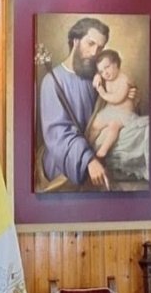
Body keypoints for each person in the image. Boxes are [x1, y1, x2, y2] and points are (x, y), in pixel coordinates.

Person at [38, 17, 111, 190]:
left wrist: (130, 98)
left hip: (97, 155)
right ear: (76, 41)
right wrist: (88, 159)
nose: (95, 52)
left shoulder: (96, 78)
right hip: (64, 163)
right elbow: (58, 133)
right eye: (90, 44)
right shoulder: (52, 81)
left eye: (100, 47)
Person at [87, 49, 138, 158]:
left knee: (113, 126)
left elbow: (117, 99)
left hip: (123, 113)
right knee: (95, 125)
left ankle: (103, 150)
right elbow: (100, 72)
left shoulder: (125, 80)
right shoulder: (107, 77)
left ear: (116, 64)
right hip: (111, 110)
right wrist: (97, 75)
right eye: (101, 71)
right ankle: (87, 145)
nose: (105, 73)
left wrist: (102, 93)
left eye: (107, 67)